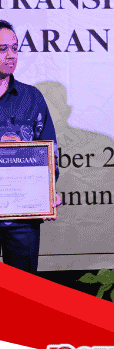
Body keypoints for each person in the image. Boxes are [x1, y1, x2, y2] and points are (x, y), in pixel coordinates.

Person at [0, 20, 60, 274]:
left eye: (15, 48)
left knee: (22, 288)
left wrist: (47, 191)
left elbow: (50, 153)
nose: (11, 55)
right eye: (2, 49)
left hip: (22, 216)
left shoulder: (31, 97)